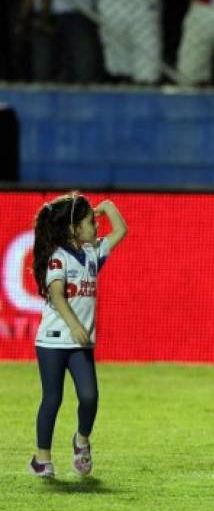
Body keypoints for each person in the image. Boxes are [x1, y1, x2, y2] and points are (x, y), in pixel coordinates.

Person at [28, 192, 127, 478]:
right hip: (53, 340)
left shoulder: (92, 253)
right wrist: (74, 325)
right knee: (52, 398)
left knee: (89, 397)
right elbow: (57, 296)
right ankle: (42, 458)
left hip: (80, 341)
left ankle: (81, 442)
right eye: (90, 221)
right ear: (74, 229)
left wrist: (107, 207)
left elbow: (121, 230)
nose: (97, 226)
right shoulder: (59, 258)